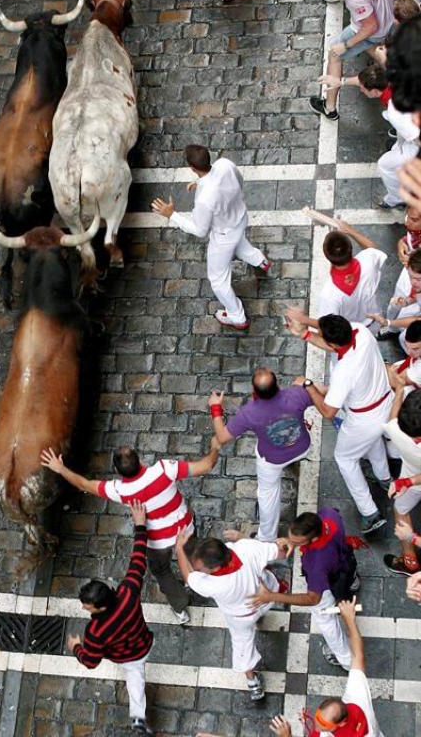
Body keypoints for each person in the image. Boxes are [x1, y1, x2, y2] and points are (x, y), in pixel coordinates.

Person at [41, 438, 222, 624]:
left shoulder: (120, 490)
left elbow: (85, 485)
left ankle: (180, 605)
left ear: (118, 473)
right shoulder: (165, 469)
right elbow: (207, 466)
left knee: (161, 571)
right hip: (185, 531)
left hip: (157, 543)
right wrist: (215, 448)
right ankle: (199, 580)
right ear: (140, 460)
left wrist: (61, 468)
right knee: (194, 557)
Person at [289, 315, 391, 534]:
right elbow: (327, 334)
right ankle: (384, 477)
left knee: (345, 458)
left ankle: (369, 512)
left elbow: (327, 411)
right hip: (385, 400)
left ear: (333, 344)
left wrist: (308, 385)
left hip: (364, 418)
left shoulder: (345, 371)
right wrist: (304, 328)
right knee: (371, 442)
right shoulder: (359, 332)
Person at [151, 145, 271, 331]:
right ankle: (260, 261)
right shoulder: (225, 164)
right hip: (239, 218)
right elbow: (238, 181)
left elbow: (200, 230)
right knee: (241, 244)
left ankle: (237, 316)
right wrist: (203, 184)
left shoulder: (204, 200)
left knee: (218, 280)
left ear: (191, 167)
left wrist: (172, 214)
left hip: (223, 235)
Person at [70, 501, 154, 735]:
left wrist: (76, 647)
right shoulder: (128, 592)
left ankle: (139, 717)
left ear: (100, 606)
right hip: (144, 643)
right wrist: (140, 525)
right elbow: (138, 560)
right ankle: (137, 717)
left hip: (125, 656)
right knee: (136, 674)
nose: (85, 609)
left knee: (134, 676)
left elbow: (90, 661)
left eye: (88, 607)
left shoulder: (95, 632)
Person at [176, 531, 288, 701]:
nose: (198, 570)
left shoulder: (214, 585)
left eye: (201, 568)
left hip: (241, 617)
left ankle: (253, 682)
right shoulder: (246, 547)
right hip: (266, 597)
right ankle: (260, 618)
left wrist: (179, 549)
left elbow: (188, 576)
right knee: (259, 617)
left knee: (243, 647)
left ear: (215, 567)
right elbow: (280, 552)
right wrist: (243, 538)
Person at [208, 369, 312, 542]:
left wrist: (215, 408)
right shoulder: (297, 394)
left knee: (267, 493)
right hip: (302, 446)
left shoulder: (248, 413)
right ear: (277, 385)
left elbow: (222, 437)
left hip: (272, 459)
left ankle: (266, 537)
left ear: (253, 391)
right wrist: (307, 384)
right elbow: (327, 396)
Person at [251, 509, 359, 671]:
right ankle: (353, 582)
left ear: (314, 538)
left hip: (328, 584)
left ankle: (346, 660)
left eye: (298, 542)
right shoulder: (329, 515)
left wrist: (272, 596)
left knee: (326, 620)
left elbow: (313, 599)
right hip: (344, 561)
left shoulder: (316, 563)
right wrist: (293, 541)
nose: (292, 544)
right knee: (348, 579)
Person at [312, 0, 395, 120]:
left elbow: (370, 26)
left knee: (335, 53)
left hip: (374, 30)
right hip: (388, 15)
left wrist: (346, 45)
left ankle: (329, 108)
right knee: (376, 51)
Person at [285, 219, 387, 331]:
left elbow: (329, 325)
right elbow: (372, 248)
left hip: (353, 333)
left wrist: (303, 319)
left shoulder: (329, 294)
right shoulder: (368, 260)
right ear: (350, 248)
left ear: (326, 255)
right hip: (375, 320)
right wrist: (350, 230)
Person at [307, 599, 385, 737]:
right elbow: (358, 656)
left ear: (342, 723)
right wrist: (350, 619)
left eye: (324, 725)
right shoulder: (359, 703)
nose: (317, 726)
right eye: (318, 717)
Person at [382, 386, 421, 575]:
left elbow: (391, 420)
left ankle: (410, 560)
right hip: (412, 482)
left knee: (401, 511)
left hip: (411, 480)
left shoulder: (396, 433)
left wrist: (398, 391)